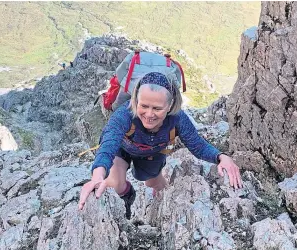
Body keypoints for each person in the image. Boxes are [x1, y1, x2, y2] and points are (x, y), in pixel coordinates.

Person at [78, 72, 243, 219]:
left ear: (170, 106)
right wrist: (97, 176)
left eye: (157, 108)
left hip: (152, 153)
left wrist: (221, 157)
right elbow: (108, 145)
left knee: (153, 183)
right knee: (114, 183)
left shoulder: (178, 119)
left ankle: (163, 209)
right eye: (143, 106)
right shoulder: (123, 115)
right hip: (121, 149)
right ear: (136, 100)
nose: (149, 114)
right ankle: (128, 196)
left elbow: (197, 145)